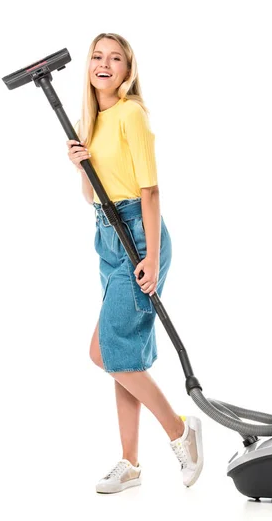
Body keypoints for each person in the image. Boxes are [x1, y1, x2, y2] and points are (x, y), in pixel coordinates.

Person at [67, 32, 203, 494]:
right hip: (107, 235)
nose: (104, 64)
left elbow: (149, 190)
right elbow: (93, 198)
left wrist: (150, 256)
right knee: (119, 354)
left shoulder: (130, 114)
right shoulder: (95, 122)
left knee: (106, 351)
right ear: (89, 66)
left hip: (139, 233)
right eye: (97, 57)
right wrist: (81, 166)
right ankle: (130, 462)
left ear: (128, 69)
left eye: (115, 58)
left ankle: (180, 431)